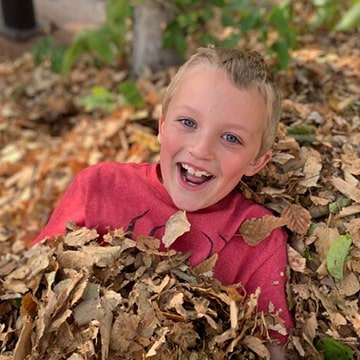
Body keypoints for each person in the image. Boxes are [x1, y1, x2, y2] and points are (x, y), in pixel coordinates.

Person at [33, 47, 293, 358]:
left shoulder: (258, 239)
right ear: (161, 126)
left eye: (231, 139)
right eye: (187, 122)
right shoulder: (100, 188)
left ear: (257, 162)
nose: (201, 150)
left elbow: (275, 349)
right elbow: (34, 288)